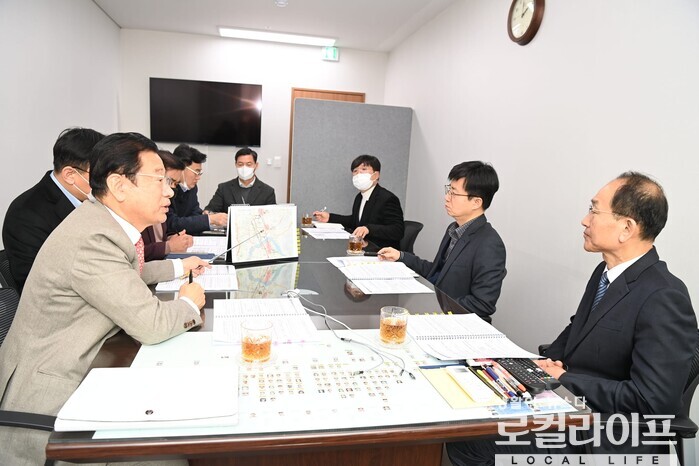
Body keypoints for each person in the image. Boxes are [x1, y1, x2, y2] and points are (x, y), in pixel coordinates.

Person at [446, 172, 697, 465]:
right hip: (574, 409)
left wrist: (565, 378)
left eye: (594, 210)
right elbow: (579, 327)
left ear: (626, 228)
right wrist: (543, 363)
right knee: (471, 411)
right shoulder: (605, 273)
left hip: (607, 436)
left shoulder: (664, 296)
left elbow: (652, 400)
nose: (584, 220)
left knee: (472, 442)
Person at [0, 132, 210, 465]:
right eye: (159, 180)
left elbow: (121, 274)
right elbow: (153, 325)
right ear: (119, 185)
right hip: (54, 401)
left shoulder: (99, 222)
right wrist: (188, 302)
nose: (169, 190)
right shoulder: (94, 238)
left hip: (91, 370)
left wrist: (176, 267)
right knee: (170, 453)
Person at [378, 161, 506, 322]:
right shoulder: (454, 229)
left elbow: (482, 304)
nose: (447, 198)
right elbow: (438, 271)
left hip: (456, 322)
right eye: (448, 190)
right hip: (438, 313)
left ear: (476, 202)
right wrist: (401, 256)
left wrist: (437, 308)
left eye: (454, 193)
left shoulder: (489, 244)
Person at [2, 127, 105, 292]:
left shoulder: (91, 200)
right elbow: (38, 282)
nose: (105, 182)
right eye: (99, 175)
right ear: (69, 175)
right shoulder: (26, 214)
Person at [313, 155, 404, 249]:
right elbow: (355, 221)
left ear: (376, 175)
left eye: (364, 169)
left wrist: (369, 229)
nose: (358, 174)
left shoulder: (387, 198)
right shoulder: (359, 197)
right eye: (355, 171)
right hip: (361, 247)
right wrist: (330, 217)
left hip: (381, 251)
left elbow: (397, 230)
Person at [142, 149, 193, 261]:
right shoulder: (138, 207)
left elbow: (159, 238)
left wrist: (173, 240)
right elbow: (135, 253)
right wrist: (168, 246)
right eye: (170, 181)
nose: (172, 189)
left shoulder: (163, 203)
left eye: (176, 184)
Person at [166, 143, 227, 234]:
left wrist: (205, 215)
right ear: (182, 168)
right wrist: (209, 219)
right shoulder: (168, 189)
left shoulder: (192, 188)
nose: (198, 177)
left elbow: (194, 212)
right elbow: (172, 223)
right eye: (196, 172)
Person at [205, 147, 276, 211]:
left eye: (248, 164)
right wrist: (209, 213)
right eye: (240, 164)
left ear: (256, 165)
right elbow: (209, 210)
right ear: (236, 165)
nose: (244, 168)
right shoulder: (223, 188)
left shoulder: (268, 191)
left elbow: (273, 217)